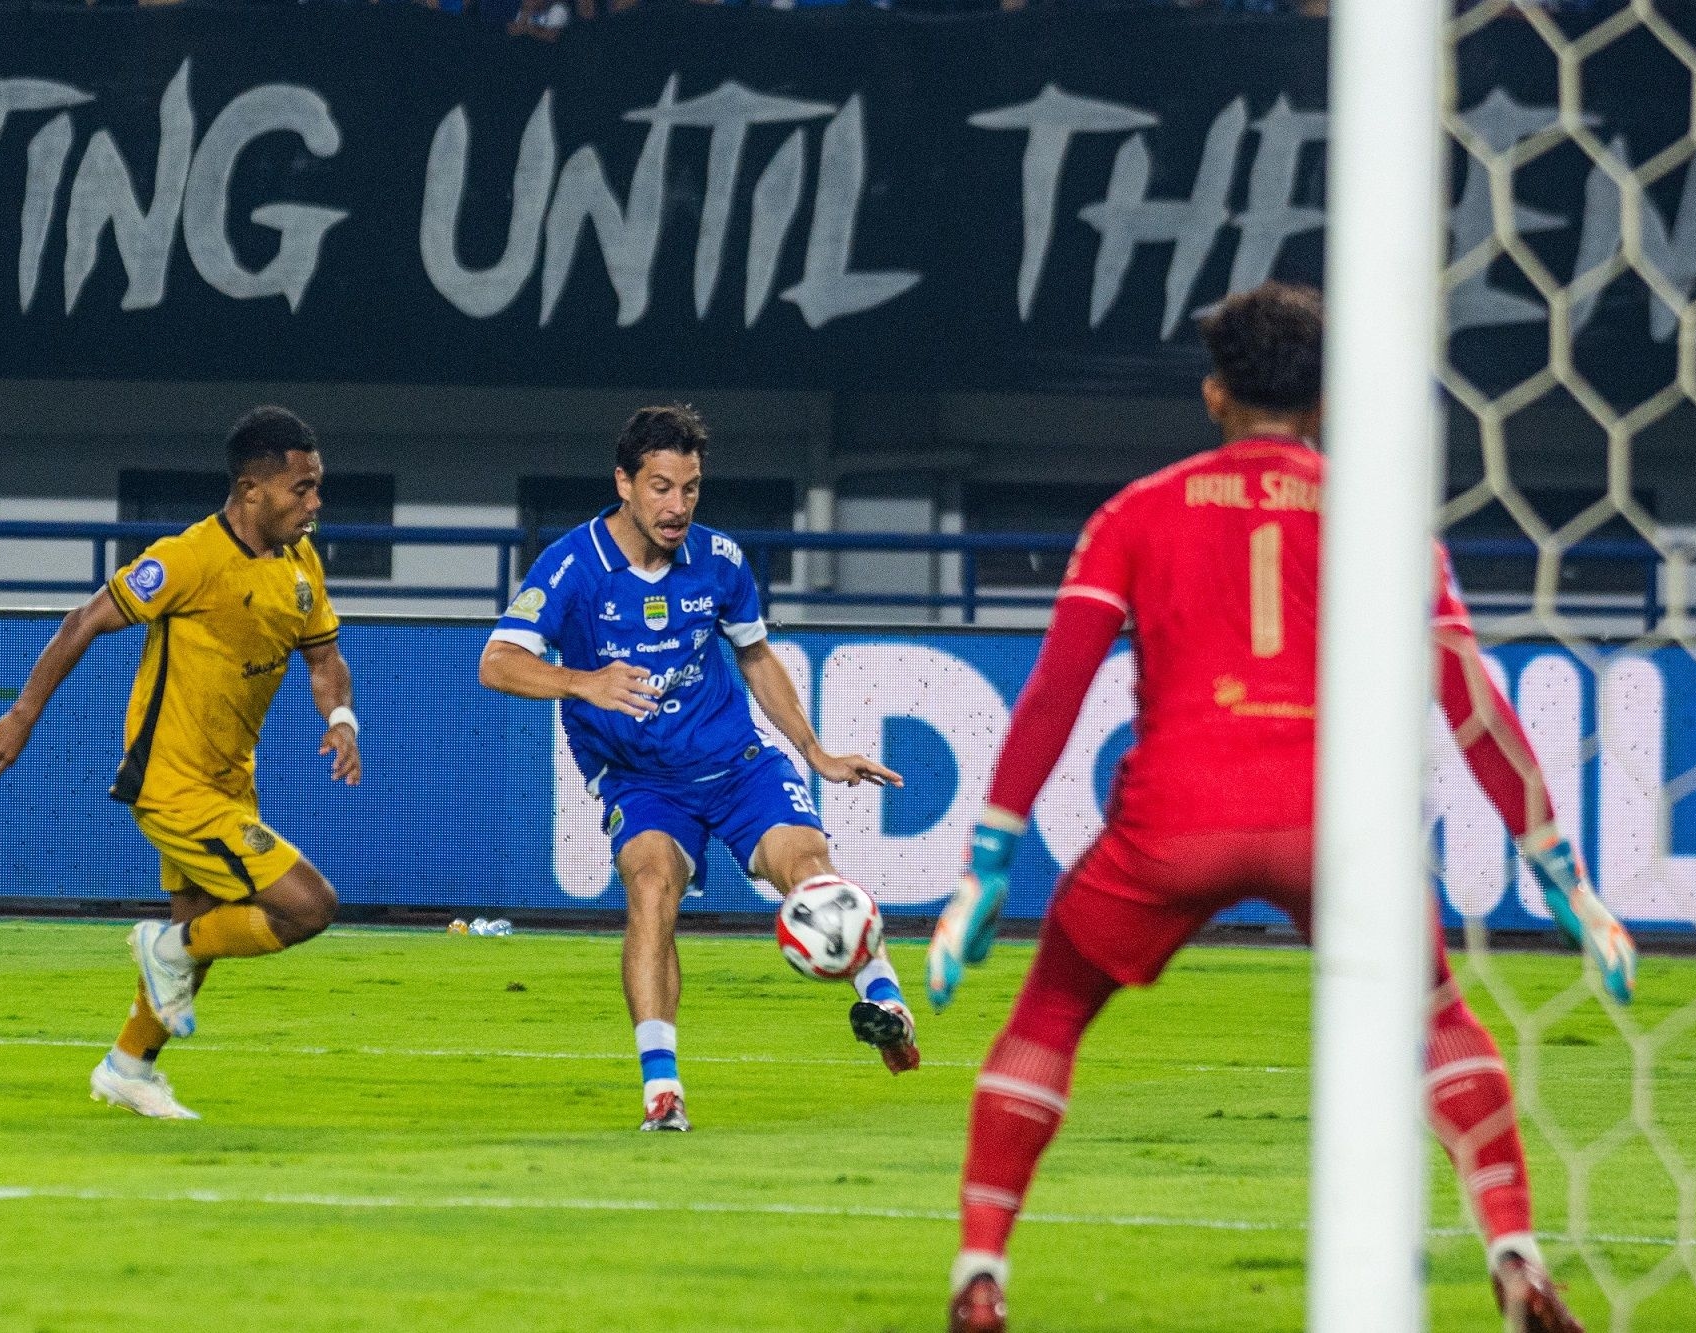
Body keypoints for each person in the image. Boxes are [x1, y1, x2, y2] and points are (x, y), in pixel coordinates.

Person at [926, 283, 1636, 1333]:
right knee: (1437, 1015)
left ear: (1214, 394)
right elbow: (1471, 701)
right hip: (1333, 824)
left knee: (1051, 1012)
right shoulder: (1380, 516)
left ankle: (980, 1271)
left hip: (1173, 819)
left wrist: (987, 858)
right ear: (1324, 401)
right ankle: (1514, 1251)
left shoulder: (1134, 512)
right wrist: (1562, 874)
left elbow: (1054, 690)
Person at [479, 403, 918, 1133]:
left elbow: (755, 655)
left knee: (809, 867)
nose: (677, 506)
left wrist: (814, 750)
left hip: (737, 765)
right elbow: (497, 662)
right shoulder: (572, 566)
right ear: (624, 483)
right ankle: (663, 1091)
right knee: (651, 888)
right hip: (641, 781)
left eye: (689, 489)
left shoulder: (719, 560)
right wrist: (583, 681)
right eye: (660, 487)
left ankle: (888, 1006)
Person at [0, 406, 361, 1121]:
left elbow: (324, 658)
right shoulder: (187, 559)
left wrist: (340, 719)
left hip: (231, 780)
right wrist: (22, 716)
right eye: (301, 488)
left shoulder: (301, 564)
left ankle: (128, 1067)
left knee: (202, 934)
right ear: (251, 490)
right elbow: (84, 620)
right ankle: (163, 947)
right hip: (173, 785)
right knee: (309, 906)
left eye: (316, 487)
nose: (315, 503)